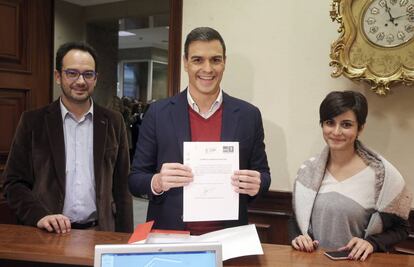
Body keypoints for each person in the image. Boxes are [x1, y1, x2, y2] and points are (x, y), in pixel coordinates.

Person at [128, 27, 271, 234]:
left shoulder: (249, 115)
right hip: (171, 235)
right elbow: (135, 179)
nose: (207, 69)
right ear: (185, 62)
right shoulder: (158, 112)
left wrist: (258, 184)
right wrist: (157, 181)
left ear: (224, 63)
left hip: (229, 237)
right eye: (197, 60)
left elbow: (263, 174)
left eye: (215, 60)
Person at [3, 42, 133, 234]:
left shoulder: (114, 122)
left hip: (100, 232)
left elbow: (122, 189)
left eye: (88, 74)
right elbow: (13, 183)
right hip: (48, 234)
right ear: (58, 76)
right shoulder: (33, 122)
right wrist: (39, 215)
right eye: (72, 73)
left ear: (96, 78)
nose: (80, 81)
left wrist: (125, 241)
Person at [290, 91, 412, 261]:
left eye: (346, 124)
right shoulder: (307, 171)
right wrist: (298, 237)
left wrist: (372, 243)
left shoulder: (383, 176)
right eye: (329, 123)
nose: (336, 131)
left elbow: (402, 229)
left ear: (360, 128)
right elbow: (296, 221)